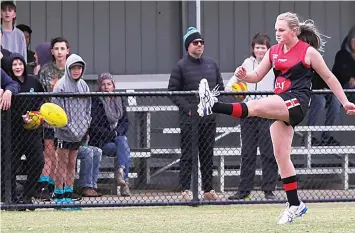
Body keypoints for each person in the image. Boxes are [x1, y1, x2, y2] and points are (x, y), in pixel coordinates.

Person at [196, 12, 355, 224]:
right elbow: (257, 76)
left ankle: (212, 104)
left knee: (253, 107)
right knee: (281, 156)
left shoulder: (308, 53)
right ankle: (295, 204)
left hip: (296, 103)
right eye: (276, 30)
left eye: (281, 30)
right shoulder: (274, 51)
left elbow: (329, 77)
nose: (277, 33)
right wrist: (244, 76)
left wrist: (344, 101)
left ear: (294, 31)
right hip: (282, 101)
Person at [168, 27, 224, 201]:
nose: (199, 45)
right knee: (188, 155)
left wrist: (213, 103)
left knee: (208, 154)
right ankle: (186, 189)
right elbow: (172, 91)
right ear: (188, 46)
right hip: (189, 120)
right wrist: (189, 108)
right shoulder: (180, 66)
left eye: (201, 42)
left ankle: (208, 189)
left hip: (209, 118)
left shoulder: (212, 64)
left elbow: (219, 88)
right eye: (195, 42)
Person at [225, 33, 278, 200]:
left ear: (268, 49)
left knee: (268, 152)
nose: (260, 50)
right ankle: (244, 191)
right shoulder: (247, 64)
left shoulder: (274, 64)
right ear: (253, 49)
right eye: (257, 47)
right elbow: (231, 83)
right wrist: (234, 90)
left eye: (263, 47)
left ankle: (269, 190)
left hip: (267, 112)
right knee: (247, 153)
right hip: (248, 112)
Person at [52, 54, 91, 209]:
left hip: (79, 133)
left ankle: (69, 196)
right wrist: (67, 127)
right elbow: (56, 111)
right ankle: (59, 196)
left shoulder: (84, 86)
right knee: (61, 163)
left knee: (72, 163)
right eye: (73, 68)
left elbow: (88, 109)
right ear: (68, 68)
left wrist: (84, 127)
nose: (76, 71)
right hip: (63, 132)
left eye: (79, 68)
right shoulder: (60, 86)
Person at [7, 53, 44, 207]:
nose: (17, 67)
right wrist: (21, 117)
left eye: (20, 64)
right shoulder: (8, 83)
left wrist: (38, 114)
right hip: (13, 133)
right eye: (14, 64)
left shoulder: (34, 81)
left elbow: (43, 99)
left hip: (32, 132)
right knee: (11, 166)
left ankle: (28, 196)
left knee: (38, 162)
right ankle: (11, 199)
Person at [37, 37, 70, 201]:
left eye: (62, 48)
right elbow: (41, 93)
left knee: (62, 156)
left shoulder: (72, 70)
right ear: (52, 52)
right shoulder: (46, 70)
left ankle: (62, 189)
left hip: (68, 120)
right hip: (50, 118)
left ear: (67, 51)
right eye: (56, 49)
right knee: (50, 153)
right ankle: (44, 187)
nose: (59, 52)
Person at [89, 73, 131, 197]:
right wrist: (113, 134)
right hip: (102, 142)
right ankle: (124, 181)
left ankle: (122, 175)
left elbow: (126, 122)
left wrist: (117, 133)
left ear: (113, 86)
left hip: (117, 140)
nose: (106, 87)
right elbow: (94, 126)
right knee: (124, 147)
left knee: (122, 142)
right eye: (103, 84)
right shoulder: (96, 101)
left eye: (109, 84)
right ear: (99, 87)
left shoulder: (119, 100)